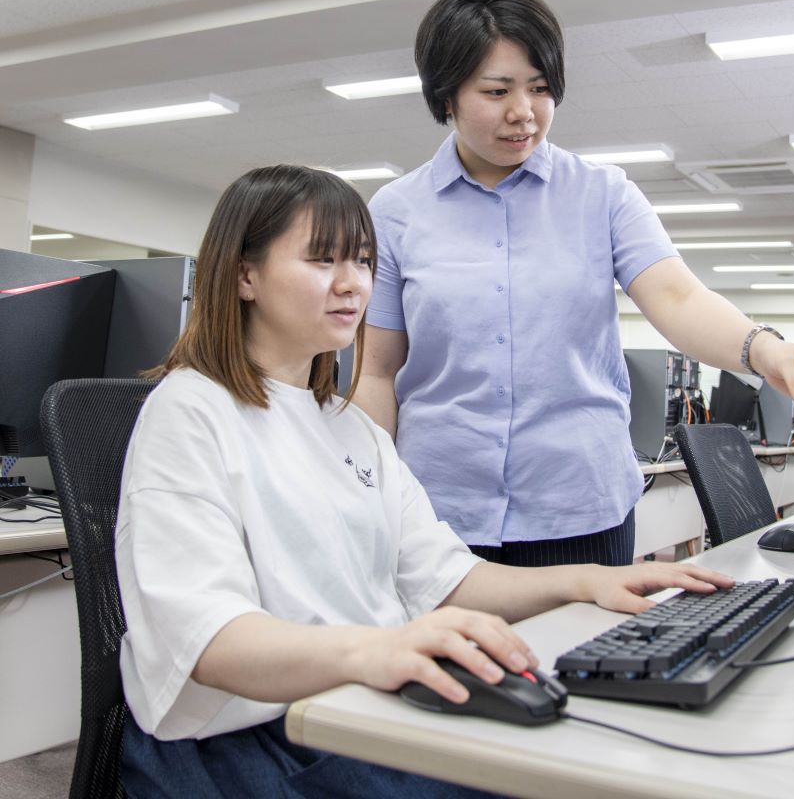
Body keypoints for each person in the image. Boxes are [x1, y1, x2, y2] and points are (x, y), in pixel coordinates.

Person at [114, 164, 733, 799]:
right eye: (322, 260)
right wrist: (377, 650)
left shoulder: (349, 428)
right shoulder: (189, 411)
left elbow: (446, 579)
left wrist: (591, 581)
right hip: (250, 737)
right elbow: (210, 640)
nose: (353, 284)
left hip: (356, 705)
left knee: (595, 754)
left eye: (361, 261)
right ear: (245, 275)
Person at [354, 0, 794, 568]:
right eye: (496, 90)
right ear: (445, 95)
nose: (524, 112)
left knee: (586, 658)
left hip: (581, 507)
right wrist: (369, 490)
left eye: (540, 88)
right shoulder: (395, 212)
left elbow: (677, 298)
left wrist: (766, 351)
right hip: (439, 510)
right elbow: (377, 371)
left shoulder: (603, 194)